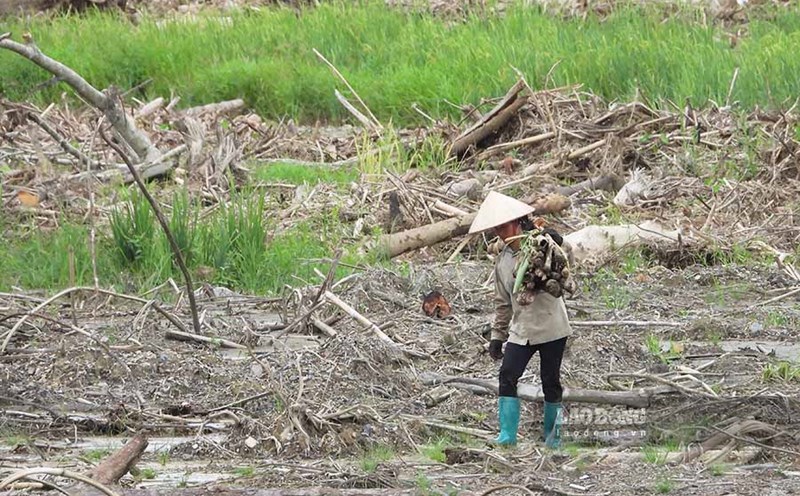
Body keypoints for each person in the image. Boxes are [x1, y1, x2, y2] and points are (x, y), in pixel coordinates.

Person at [469, 191, 573, 448]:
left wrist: (558, 241)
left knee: (550, 381)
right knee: (507, 375)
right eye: (496, 229)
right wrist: (497, 336)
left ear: (517, 222)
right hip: (522, 329)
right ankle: (507, 436)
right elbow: (503, 302)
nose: (500, 233)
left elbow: (568, 262)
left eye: (503, 227)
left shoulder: (543, 245)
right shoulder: (503, 260)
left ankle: (553, 438)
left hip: (552, 326)